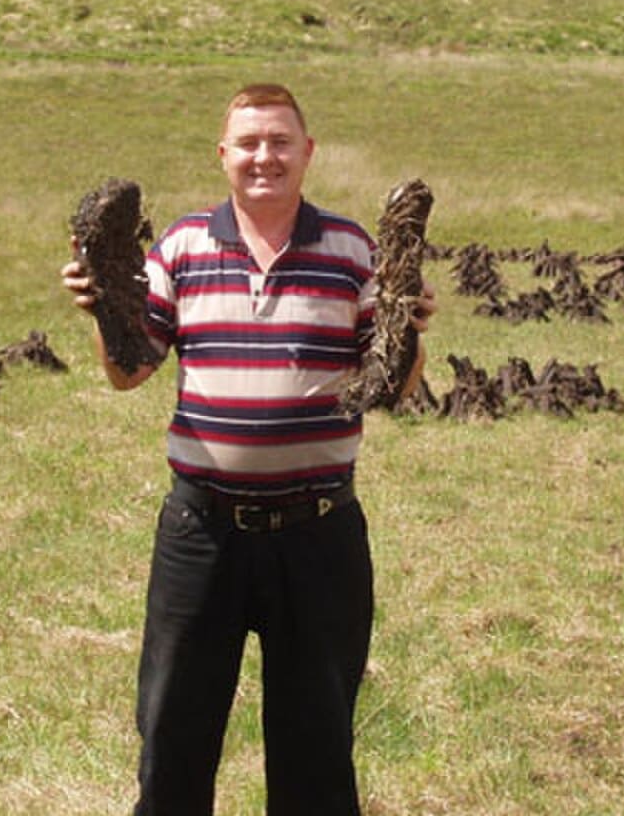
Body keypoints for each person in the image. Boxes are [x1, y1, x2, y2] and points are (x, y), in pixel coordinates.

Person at [61, 82, 435, 816]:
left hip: (320, 534)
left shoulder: (353, 250)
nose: (266, 156)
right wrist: (106, 302)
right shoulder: (182, 245)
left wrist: (408, 318)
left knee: (317, 751)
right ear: (224, 156)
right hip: (201, 535)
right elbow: (130, 370)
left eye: (281, 142)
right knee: (172, 741)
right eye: (250, 143)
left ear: (308, 153)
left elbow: (392, 383)